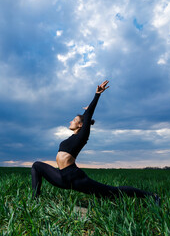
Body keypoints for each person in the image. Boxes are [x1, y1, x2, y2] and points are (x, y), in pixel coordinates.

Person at [31, 80, 160, 205]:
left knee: (112, 192)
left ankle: (153, 196)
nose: (71, 121)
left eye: (74, 120)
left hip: (75, 178)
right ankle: (35, 201)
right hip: (62, 177)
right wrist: (86, 111)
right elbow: (85, 116)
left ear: (81, 125)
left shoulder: (82, 136)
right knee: (37, 165)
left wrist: (97, 95)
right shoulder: (71, 137)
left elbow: (87, 117)